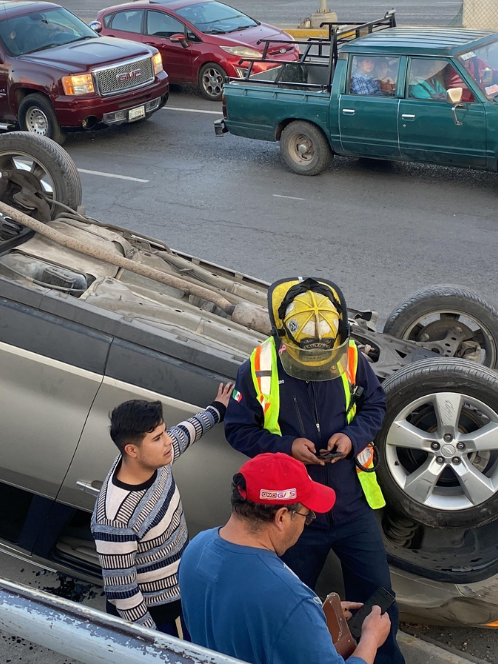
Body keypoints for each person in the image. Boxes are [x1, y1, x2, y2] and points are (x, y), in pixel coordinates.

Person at [225, 278, 403, 664]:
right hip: (293, 515)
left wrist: (351, 437)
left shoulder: (352, 357)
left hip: (353, 506)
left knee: (380, 605)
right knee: (291, 611)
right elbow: (237, 429)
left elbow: (375, 405)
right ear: (284, 338)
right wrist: (287, 447)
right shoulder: (258, 367)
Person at [179, 453, 393, 664]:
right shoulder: (292, 600)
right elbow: (276, 607)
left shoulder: (196, 548)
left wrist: (313, 619)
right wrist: (371, 638)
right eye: (307, 515)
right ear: (281, 517)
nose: (305, 523)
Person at [92, 383, 233, 637]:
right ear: (131, 450)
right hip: (160, 614)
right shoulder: (114, 520)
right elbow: (123, 594)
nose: (168, 441)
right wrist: (154, 642)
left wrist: (217, 409)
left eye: (163, 431)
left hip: (183, 589)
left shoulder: (156, 461)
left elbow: (185, 433)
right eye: (157, 438)